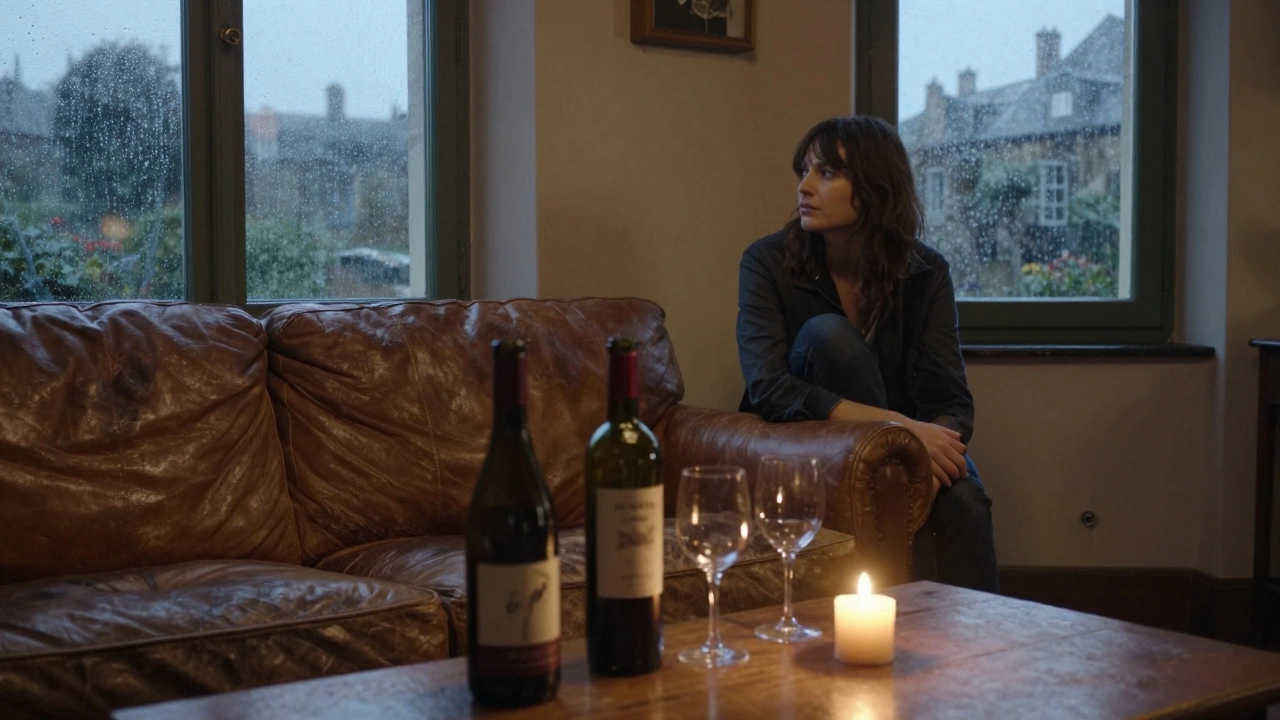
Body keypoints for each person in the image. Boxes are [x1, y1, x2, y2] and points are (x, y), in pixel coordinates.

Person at [735, 115, 998, 592]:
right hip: (806, 448)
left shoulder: (926, 271)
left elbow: (950, 399)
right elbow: (768, 387)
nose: (805, 187)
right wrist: (899, 431)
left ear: (876, 188)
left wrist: (922, 453)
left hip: (914, 443)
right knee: (828, 335)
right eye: (804, 171)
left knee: (966, 503)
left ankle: (975, 650)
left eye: (827, 174)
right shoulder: (766, 262)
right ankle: (892, 611)